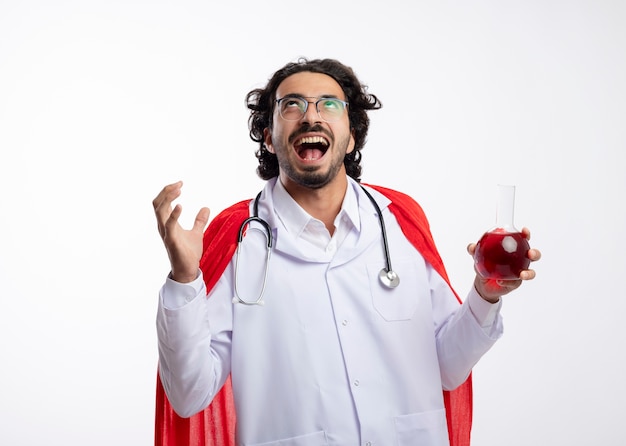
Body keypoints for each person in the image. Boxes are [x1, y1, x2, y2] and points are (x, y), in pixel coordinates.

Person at [152, 58, 540, 446]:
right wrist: (184, 279)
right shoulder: (238, 238)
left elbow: (447, 368)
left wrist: (486, 295)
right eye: (292, 105)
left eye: (329, 104)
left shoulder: (400, 220)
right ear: (268, 136)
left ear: (351, 135)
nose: (311, 117)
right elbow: (189, 396)